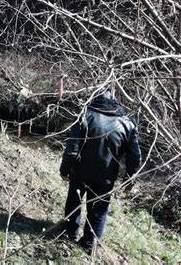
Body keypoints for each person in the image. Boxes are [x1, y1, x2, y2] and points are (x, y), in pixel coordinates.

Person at [59, 89, 141, 251]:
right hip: (106, 177)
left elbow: (72, 149)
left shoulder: (84, 116)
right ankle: (90, 244)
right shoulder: (128, 123)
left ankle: (69, 232)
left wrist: (64, 169)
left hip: (79, 172)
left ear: (95, 100)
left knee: (74, 201)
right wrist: (129, 179)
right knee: (98, 210)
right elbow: (134, 156)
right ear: (115, 102)